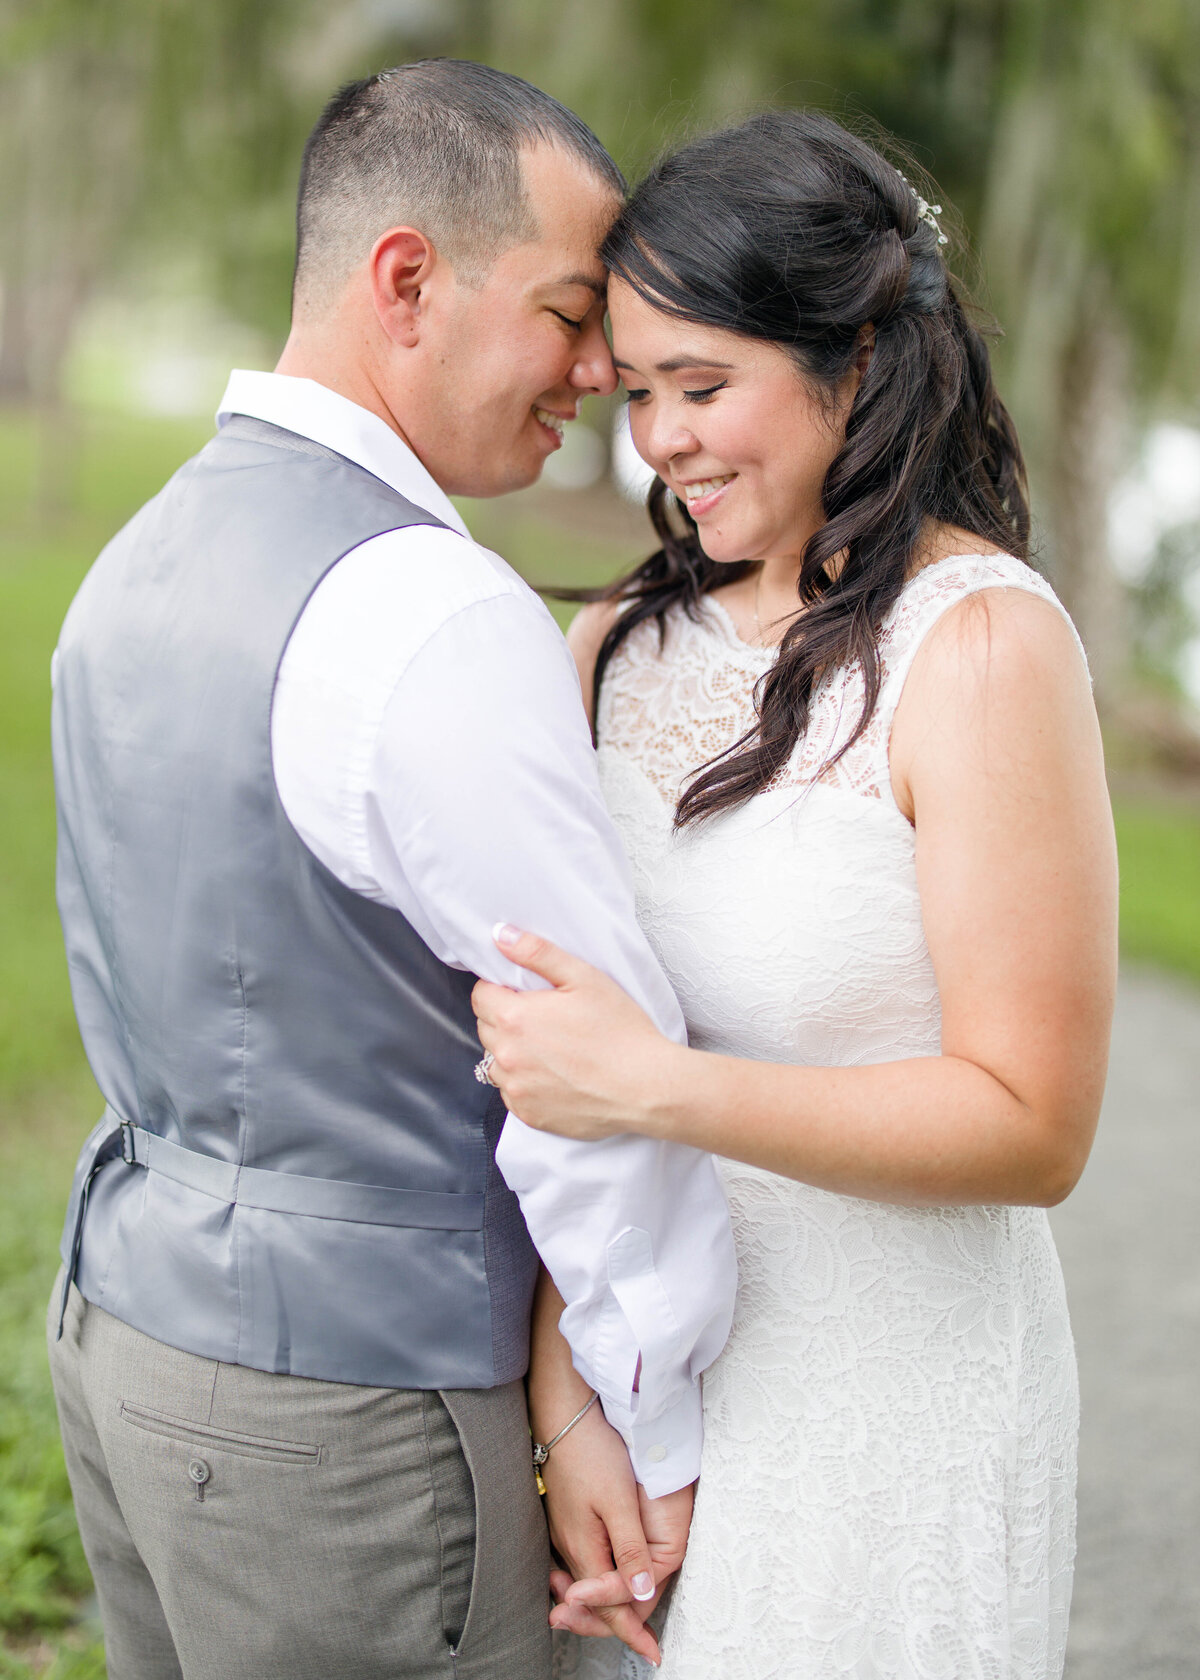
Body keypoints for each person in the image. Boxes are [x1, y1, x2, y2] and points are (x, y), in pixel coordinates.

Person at [46, 60, 736, 1680]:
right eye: (571, 312)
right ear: (409, 279)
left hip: (127, 1343)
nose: (598, 373)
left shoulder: (138, 558)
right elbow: (595, 1073)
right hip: (345, 1421)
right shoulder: (430, 609)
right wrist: (638, 1418)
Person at [472, 109, 1118, 1680]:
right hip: (657, 1394)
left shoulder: (979, 648)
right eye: (638, 396)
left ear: (859, 358)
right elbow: (564, 1093)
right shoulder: (615, 647)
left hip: (898, 1412)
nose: (664, 441)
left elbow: (1033, 1123)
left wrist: (664, 1090)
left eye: (705, 386)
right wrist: (572, 1410)